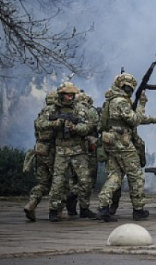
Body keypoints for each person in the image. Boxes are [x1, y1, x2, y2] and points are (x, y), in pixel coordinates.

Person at [96, 73, 156, 222]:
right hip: (122, 142)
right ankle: (138, 209)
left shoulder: (110, 101)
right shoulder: (121, 101)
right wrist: (143, 104)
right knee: (136, 175)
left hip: (111, 142)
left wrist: (154, 120)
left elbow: (127, 119)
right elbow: (134, 119)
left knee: (115, 176)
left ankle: (103, 207)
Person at [36, 82, 96, 222]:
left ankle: (85, 208)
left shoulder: (80, 108)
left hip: (78, 149)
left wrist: (75, 127)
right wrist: (54, 123)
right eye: (68, 95)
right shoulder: (51, 109)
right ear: (62, 95)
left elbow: (88, 126)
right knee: (58, 182)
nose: (71, 97)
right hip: (61, 150)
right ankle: (54, 209)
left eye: (73, 95)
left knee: (85, 180)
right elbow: (40, 124)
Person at [23, 91, 61, 221]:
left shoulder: (40, 114)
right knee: (59, 181)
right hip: (52, 150)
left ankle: (32, 203)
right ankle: (58, 210)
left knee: (43, 183)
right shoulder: (56, 113)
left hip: (39, 149)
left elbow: (37, 131)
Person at [66, 91, 100, 216]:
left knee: (74, 178)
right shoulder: (89, 111)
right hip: (87, 149)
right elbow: (98, 126)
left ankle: (72, 206)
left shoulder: (70, 110)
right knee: (88, 179)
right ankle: (82, 206)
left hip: (71, 149)